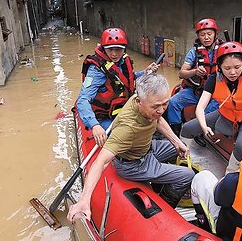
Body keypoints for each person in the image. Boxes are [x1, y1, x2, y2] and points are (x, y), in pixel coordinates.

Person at [68, 74, 194, 223]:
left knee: (181, 148)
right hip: (134, 164)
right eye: (156, 106)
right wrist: (84, 199)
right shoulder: (127, 128)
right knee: (187, 175)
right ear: (138, 102)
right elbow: (100, 162)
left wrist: (176, 141)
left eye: (165, 104)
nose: (161, 110)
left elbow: (157, 119)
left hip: (146, 147)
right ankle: (165, 205)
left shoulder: (145, 100)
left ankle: (160, 182)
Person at [181, 41, 242, 173]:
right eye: (227, 68)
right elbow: (200, 107)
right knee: (187, 128)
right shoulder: (214, 78)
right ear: (219, 66)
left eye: (237, 67)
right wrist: (204, 126)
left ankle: (229, 173)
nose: (233, 72)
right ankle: (184, 161)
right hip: (226, 114)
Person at [76, 27, 159, 147]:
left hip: (124, 109)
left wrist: (145, 72)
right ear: (104, 49)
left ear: (124, 49)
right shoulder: (96, 70)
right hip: (105, 116)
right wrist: (95, 125)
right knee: (122, 138)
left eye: (118, 49)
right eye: (110, 49)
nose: (114, 54)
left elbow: (128, 79)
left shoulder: (123, 61)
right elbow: (82, 100)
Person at [166, 18, 223, 137]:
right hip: (196, 91)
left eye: (209, 34)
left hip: (216, 94)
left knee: (207, 113)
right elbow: (181, 73)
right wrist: (195, 71)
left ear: (215, 34)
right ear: (198, 36)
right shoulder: (193, 52)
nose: (206, 37)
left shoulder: (223, 51)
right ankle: (176, 133)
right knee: (173, 102)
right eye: (203, 35)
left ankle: (200, 134)